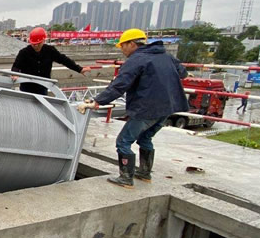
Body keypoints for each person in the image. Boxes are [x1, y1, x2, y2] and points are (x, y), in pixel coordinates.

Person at [78, 29, 188, 188]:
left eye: (123, 45)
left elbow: (119, 85)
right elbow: (183, 73)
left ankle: (126, 178)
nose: (122, 50)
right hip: (167, 108)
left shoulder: (136, 60)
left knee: (123, 142)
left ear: (131, 44)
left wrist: (97, 101)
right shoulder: (166, 56)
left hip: (147, 108)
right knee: (145, 138)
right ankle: (144, 173)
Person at [11, 27, 91, 95]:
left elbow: (64, 60)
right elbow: (16, 66)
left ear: (43, 40)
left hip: (43, 86)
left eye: (38, 44)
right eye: (34, 44)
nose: (36, 46)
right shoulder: (24, 52)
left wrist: (79, 69)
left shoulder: (50, 51)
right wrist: (15, 74)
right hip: (27, 87)